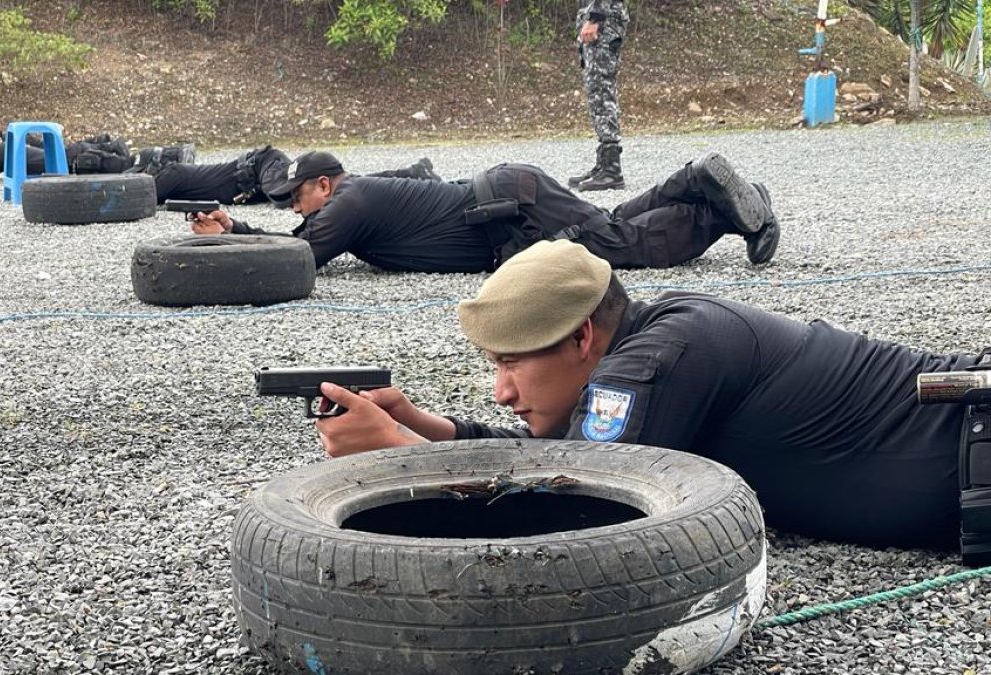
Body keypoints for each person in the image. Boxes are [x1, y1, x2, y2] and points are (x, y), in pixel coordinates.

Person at [314, 239, 973, 551]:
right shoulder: (646, 349)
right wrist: (431, 431)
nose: (501, 389)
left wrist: (401, 456)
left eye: (512, 362)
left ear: (580, 339)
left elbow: (570, 502)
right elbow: (560, 458)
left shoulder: (664, 356)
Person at [189, 150, 780, 272]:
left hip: (509, 209)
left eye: (298, 199)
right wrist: (236, 227)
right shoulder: (356, 195)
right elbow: (303, 237)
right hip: (507, 199)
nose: (299, 210)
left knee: (623, 246)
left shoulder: (350, 202)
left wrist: (236, 236)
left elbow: (301, 255)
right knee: (608, 226)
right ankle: (695, 182)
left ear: (323, 185)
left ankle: (724, 213)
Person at [139, 144, 440, 207]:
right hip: (258, 172)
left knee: (296, 194)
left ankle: (412, 174)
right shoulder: (175, 174)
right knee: (335, 185)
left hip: (261, 166)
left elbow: (144, 194)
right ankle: (411, 174)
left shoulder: (171, 174)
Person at [0, 110, 135, 174]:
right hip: (53, 154)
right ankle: (108, 146)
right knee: (70, 151)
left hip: (66, 158)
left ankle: (112, 149)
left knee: (70, 153)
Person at [568, 0, 629, 192]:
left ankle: (612, 169)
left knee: (602, 92)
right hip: (602, 20)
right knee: (597, 92)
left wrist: (595, 18)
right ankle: (604, 164)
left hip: (604, 23)